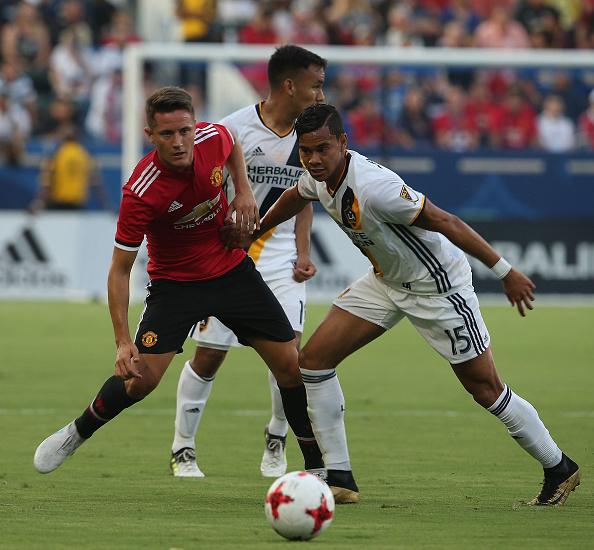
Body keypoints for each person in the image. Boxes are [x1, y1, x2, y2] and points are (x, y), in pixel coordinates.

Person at [221, 103, 581, 507]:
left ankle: (559, 467)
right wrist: (254, 232)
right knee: (313, 362)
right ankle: (339, 476)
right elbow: (294, 195)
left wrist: (505, 271)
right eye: (305, 151)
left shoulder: (376, 188)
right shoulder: (316, 177)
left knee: (485, 389)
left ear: (343, 142)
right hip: (386, 281)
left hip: (437, 288)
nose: (313, 160)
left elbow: (449, 223)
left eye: (322, 149)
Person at [33, 88, 360, 504]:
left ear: (194, 126)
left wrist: (242, 190)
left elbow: (232, 143)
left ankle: (315, 469)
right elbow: (119, 269)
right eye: (167, 134)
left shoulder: (211, 139)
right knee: (140, 382)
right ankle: (77, 431)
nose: (179, 142)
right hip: (175, 287)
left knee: (291, 368)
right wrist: (120, 340)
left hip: (232, 273)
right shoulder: (140, 191)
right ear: (150, 134)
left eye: (185, 130)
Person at [170, 45, 327, 479]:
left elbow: (305, 195)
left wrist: (304, 252)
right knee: (209, 357)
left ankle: (276, 442)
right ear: (289, 85)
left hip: (279, 256)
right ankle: (183, 448)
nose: (320, 94)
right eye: (315, 85)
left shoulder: (310, 135)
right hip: (227, 256)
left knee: (289, 357)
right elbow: (202, 189)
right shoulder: (231, 129)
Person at [27, 126, 112, 213]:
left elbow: (47, 182)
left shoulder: (57, 154)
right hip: (77, 203)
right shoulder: (85, 155)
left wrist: (39, 203)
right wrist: (107, 204)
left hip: (58, 202)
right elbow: (96, 183)